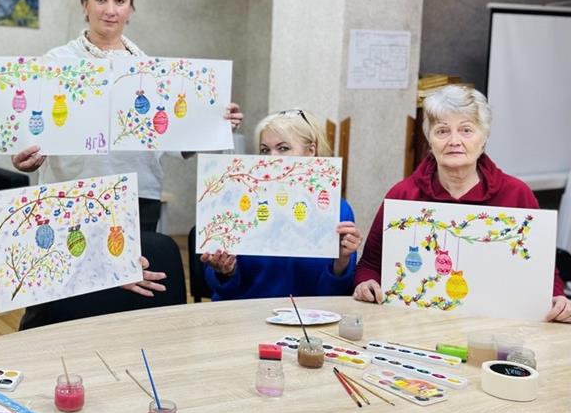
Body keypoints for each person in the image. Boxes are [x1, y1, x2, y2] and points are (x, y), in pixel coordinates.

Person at [10, 0, 242, 301]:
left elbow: (174, 138)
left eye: (120, 0)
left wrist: (215, 122)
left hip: (137, 195)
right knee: (70, 294)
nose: (110, 9)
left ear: (131, 9)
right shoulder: (54, 63)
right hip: (72, 196)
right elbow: (27, 136)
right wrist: (23, 157)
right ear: (85, 4)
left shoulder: (153, 71)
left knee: (129, 295)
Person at [353, 85, 571, 322]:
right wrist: (366, 283)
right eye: (442, 131)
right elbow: (370, 264)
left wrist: (557, 298)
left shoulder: (517, 195)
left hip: (496, 328)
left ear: (484, 137)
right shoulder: (403, 195)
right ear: (429, 139)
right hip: (416, 324)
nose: (454, 141)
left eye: (466, 130)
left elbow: (544, 272)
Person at [200, 109, 363, 299]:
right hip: (245, 311)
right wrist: (225, 272)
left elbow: (334, 295)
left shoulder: (337, 211)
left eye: (283, 148)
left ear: (311, 151)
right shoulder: (239, 204)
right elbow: (220, 288)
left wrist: (341, 263)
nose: (272, 157)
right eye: (264, 150)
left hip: (308, 314)